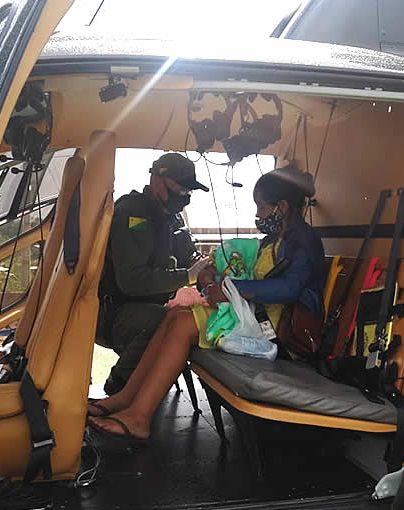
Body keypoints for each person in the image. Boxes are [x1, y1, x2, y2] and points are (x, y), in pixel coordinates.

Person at [89, 166, 325, 441]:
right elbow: (254, 276)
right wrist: (215, 277)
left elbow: (289, 288)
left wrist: (230, 290)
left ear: (281, 207)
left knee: (184, 326)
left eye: (261, 207)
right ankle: (125, 398)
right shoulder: (275, 240)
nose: (258, 214)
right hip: (257, 320)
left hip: (277, 333)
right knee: (177, 315)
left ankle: (139, 418)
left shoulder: (304, 241)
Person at [97, 152, 211, 395]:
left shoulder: (171, 219)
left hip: (149, 306)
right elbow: (131, 281)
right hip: (114, 312)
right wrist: (188, 276)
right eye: (180, 189)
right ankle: (119, 386)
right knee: (165, 321)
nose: (185, 197)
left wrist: (203, 267)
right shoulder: (133, 214)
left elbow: (187, 255)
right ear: (157, 181)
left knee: (194, 319)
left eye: (189, 192)